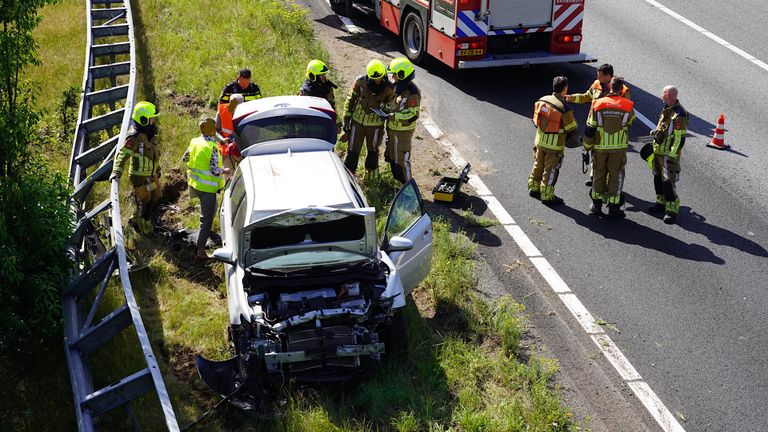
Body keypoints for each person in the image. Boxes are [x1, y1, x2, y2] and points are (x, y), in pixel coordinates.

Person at [566, 63, 631, 186]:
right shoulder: (596, 85)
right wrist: (572, 98)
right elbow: (587, 97)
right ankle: (594, 177)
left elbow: (627, 113)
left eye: (600, 75)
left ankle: (607, 184)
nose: (597, 77)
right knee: (595, 153)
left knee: (610, 159)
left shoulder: (623, 90)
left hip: (611, 130)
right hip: (595, 125)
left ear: (608, 76)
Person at [584, 77, 636, 218]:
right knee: (616, 175)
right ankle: (614, 207)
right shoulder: (628, 105)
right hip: (618, 148)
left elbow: (590, 127)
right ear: (621, 89)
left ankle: (596, 205)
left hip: (600, 146)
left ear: (610, 87)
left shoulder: (597, 103)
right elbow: (630, 121)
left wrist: (587, 146)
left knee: (599, 174)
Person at [110, 101, 162, 235]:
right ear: (143, 120)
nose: (154, 122)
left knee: (157, 194)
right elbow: (122, 154)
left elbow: (153, 154)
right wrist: (116, 171)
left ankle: (144, 218)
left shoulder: (148, 135)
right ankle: (141, 225)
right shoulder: (134, 137)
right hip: (140, 176)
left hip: (151, 175)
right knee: (145, 200)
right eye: (152, 119)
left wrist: (157, 169)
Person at [528, 76, 580, 206]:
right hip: (554, 146)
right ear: (564, 89)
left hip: (540, 141)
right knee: (550, 170)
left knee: (538, 165)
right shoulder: (564, 108)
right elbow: (571, 129)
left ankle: (533, 188)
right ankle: (547, 195)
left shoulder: (542, 100)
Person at [183, 117, 229, 260]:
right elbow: (215, 170)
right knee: (207, 219)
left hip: (195, 184)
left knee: (209, 212)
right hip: (207, 188)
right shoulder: (212, 147)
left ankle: (205, 235)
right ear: (211, 129)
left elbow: (185, 158)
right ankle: (200, 251)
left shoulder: (195, 141)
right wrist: (225, 170)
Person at [342, 59, 395, 178]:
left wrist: (385, 111)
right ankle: (348, 178)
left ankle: (371, 180)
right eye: (374, 78)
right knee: (352, 151)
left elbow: (391, 107)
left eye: (379, 78)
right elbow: (351, 98)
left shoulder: (389, 88)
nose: (377, 81)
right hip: (357, 122)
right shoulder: (360, 81)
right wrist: (346, 118)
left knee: (373, 153)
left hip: (375, 125)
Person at [648, 85, 687, 224]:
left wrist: (672, 156)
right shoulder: (667, 109)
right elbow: (664, 128)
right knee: (657, 178)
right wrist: (656, 132)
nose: (661, 97)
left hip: (667, 155)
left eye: (663, 95)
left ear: (669, 96)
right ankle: (660, 202)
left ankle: (671, 210)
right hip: (658, 151)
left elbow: (679, 138)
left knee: (668, 183)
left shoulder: (679, 114)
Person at [384, 57, 420, 184]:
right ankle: (400, 185)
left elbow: (413, 114)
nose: (393, 78)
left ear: (402, 74)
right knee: (393, 158)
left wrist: (395, 116)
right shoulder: (397, 88)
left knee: (403, 160)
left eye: (394, 75)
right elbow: (394, 105)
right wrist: (385, 110)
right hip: (393, 129)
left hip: (404, 132)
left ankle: (410, 190)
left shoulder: (412, 92)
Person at [214, 93, 244, 173]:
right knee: (228, 176)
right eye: (235, 104)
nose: (237, 107)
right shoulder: (222, 111)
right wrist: (222, 140)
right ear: (230, 102)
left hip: (241, 150)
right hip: (226, 151)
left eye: (239, 105)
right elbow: (215, 130)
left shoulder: (246, 111)